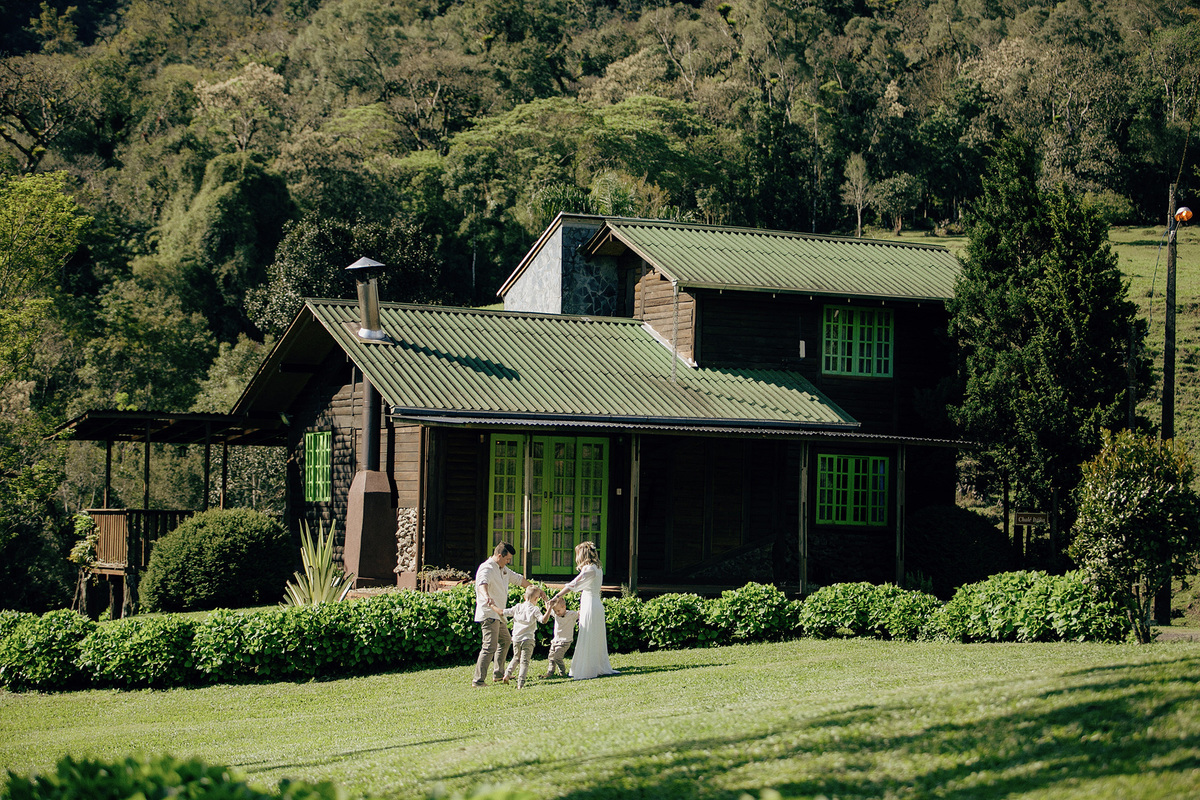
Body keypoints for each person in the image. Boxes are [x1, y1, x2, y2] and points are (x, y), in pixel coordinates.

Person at [550, 540, 617, 680]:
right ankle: (595, 665)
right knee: (593, 636)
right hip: (593, 603)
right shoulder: (597, 568)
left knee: (588, 634)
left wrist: (557, 596)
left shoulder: (589, 569)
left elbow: (574, 584)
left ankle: (588, 668)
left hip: (591, 605)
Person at [473, 541, 530, 687]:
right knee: (489, 646)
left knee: (505, 640)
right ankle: (478, 681)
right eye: (507, 559)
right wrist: (487, 598)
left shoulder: (503, 569)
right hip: (489, 613)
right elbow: (482, 584)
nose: (508, 562)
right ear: (499, 555)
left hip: (499, 614)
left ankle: (498, 674)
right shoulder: (486, 568)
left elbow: (518, 579)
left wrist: (535, 589)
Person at [502, 584, 546, 688]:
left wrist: (493, 607)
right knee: (524, 662)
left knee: (516, 658)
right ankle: (520, 683)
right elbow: (542, 619)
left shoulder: (518, 607)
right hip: (528, 639)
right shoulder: (535, 609)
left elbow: (505, 612)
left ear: (524, 597)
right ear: (536, 599)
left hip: (516, 638)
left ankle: (507, 674)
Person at [540, 594, 579, 678]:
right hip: (555, 641)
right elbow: (548, 608)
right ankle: (550, 672)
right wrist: (545, 599)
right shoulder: (556, 614)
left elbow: (580, 613)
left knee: (557, 657)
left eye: (558, 611)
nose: (557, 613)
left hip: (565, 641)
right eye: (555, 611)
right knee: (551, 657)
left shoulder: (571, 614)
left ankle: (562, 672)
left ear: (564, 607)